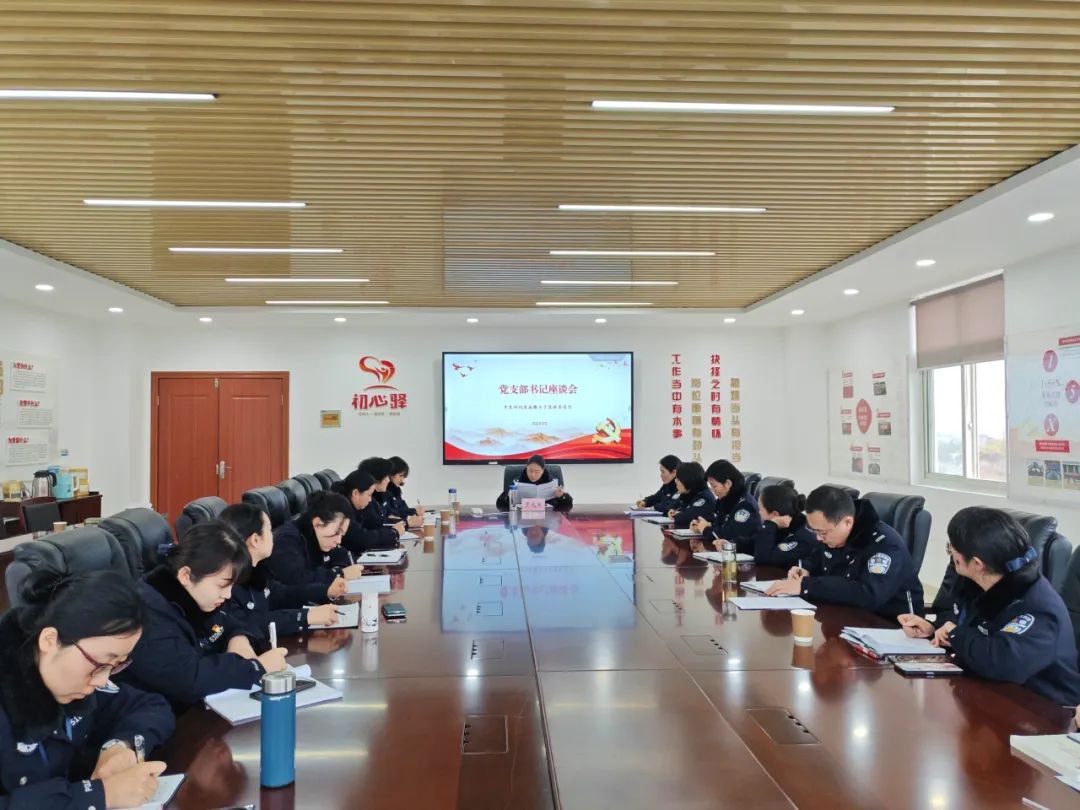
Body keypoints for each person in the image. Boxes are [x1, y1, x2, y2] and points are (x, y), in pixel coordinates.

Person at [0, 569, 174, 810]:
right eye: (100, 664)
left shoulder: (78, 680)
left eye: (115, 665)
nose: (102, 681)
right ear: (50, 640)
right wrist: (101, 796)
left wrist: (118, 746)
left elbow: (151, 706)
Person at [898, 507, 1080, 705]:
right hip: (988, 693)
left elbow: (1002, 661)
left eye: (952, 548)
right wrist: (934, 630)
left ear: (977, 563)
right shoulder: (977, 583)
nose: (951, 555)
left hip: (1042, 710)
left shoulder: (1038, 607)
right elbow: (962, 624)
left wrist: (956, 635)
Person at [118, 522, 288, 711]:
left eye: (232, 586)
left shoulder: (196, 597)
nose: (228, 595)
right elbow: (187, 679)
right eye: (222, 585)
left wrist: (238, 639)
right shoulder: (147, 613)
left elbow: (233, 621)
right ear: (186, 575)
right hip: (163, 716)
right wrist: (255, 667)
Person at [767, 485, 924, 619]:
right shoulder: (835, 535)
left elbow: (868, 594)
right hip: (844, 617)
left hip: (889, 627)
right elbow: (818, 559)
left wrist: (806, 586)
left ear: (847, 522)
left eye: (822, 532)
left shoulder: (885, 545)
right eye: (815, 531)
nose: (819, 538)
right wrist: (805, 569)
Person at [218, 503, 342, 647]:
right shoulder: (228, 583)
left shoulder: (257, 569)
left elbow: (280, 594)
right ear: (255, 540)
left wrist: (325, 591)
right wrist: (305, 617)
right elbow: (252, 623)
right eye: (269, 530)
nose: (273, 535)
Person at [264, 490, 365, 589]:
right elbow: (297, 580)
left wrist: (340, 569)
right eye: (337, 532)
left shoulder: (320, 536)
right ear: (317, 523)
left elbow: (343, 555)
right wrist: (339, 574)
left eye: (342, 535)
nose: (339, 540)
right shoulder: (286, 540)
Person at [690, 459, 761, 548]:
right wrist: (705, 524)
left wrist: (705, 529)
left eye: (714, 486)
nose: (712, 490)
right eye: (710, 486)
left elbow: (730, 536)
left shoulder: (745, 506)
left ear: (728, 483)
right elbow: (722, 525)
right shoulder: (726, 500)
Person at [742, 484, 817, 566]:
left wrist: (771, 525)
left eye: (760, 510)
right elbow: (752, 543)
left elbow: (763, 559)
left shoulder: (804, 538)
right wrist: (732, 544)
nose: (758, 513)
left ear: (775, 514)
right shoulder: (782, 526)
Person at [335, 469, 400, 553]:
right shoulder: (342, 511)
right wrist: (393, 533)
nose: (370, 500)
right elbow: (361, 539)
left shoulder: (355, 507)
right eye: (369, 495)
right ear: (355, 493)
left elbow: (373, 525)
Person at [496, 455, 573, 511]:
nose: (533, 475)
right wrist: (508, 496)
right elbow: (500, 505)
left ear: (542, 471)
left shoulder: (551, 482)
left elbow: (568, 505)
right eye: (530, 471)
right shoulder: (518, 482)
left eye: (537, 472)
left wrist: (561, 496)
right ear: (526, 468)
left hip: (546, 518)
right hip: (522, 519)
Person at [357, 457, 407, 540]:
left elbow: (383, 519)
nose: (388, 480)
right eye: (386, 477)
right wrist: (405, 524)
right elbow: (375, 525)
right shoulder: (366, 501)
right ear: (376, 478)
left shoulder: (377, 496)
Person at [666, 461, 715, 529]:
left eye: (678, 479)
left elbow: (685, 518)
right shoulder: (689, 494)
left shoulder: (704, 497)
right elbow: (669, 508)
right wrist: (673, 512)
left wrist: (677, 514)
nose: (676, 482)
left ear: (687, 480)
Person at [386, 456, 424, 528]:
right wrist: (413, 512)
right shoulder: (384, 492)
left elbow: (403, 509)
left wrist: (414, 511)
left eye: (404, 477)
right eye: (400, 476)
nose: (402, 480)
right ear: (391, 474)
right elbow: (392, 514)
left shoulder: (396, 490)